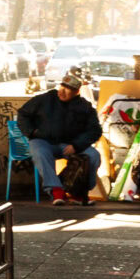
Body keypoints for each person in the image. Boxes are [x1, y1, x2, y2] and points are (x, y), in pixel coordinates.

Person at [18, 70, 103, 205]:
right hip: (44, 141)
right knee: (39, 152)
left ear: (76, 92)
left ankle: (79, 192)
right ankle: (56, 191)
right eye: (61, 87)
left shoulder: (84, 107)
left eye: (67, 90)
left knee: (93, 156)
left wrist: (76, 145)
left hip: (70, 144)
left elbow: (95, 130)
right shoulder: (45, 99)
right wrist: (32, 132)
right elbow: (23, 114)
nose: (62, 92)